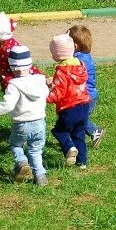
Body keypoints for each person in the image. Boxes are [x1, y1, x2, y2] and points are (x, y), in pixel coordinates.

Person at [0, 46, 49, 186]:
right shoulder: (40, 80)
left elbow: (7, 105)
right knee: (35, 150)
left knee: (16, 145)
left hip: (21, 124)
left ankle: (21, 162)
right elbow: (46, 95)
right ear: (30, 64)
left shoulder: (13, 85)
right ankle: (41, 176)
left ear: (11, 66)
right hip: (40, 123)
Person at [47, 33, 91, 169]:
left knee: (59, 131)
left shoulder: (62, 71)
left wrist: (47, 97)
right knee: (79, 133)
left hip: (69, 107)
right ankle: (82, 163)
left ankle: (69, 148)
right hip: (84, 105)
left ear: (57, 54)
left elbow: (59, 93)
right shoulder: (80, 65)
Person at [0, 11, 42, 92]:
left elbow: (26, 67)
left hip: (15, 86)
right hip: (16, 84)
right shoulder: (8, 45)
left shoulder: (7, 51)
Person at [69, 25, 105, 148]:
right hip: (89, 94)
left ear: (75, 45)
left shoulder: (78, 60)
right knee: (77, 118)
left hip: (86, 96)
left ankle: (95, 131)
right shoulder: (83, 56)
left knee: (78, 118)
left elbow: (73, 77)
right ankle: (75, 141)